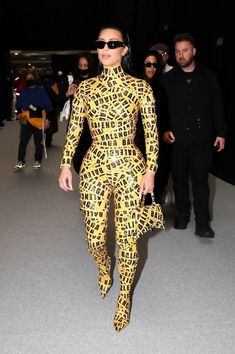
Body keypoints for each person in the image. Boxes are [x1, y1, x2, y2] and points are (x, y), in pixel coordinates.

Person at [59, 24, 161, 331]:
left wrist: (151, 170)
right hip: (94, 166)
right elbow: (75, 130)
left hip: (131, 165)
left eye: (112, 43)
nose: (105, 48)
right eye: (101, 43)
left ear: (124, 48)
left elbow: (152, 135)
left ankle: (125, 296)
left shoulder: (141, 87)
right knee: (94, 239)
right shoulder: (86, 89)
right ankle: (104, 265)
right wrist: (65, 164)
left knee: (128, 238)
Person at [161, 32, 227, 238]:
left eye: (185, 50)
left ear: (194, 51)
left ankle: (203, 222)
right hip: (177, 141)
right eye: (178, 51)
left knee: (200, 180)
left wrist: (221, 132)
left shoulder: (209, 76)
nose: (181, 55)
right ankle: (183, 213)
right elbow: (160, 110)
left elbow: (217, 106)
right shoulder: (167, 80)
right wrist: (164, 131)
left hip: (202, 139)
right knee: (179, 179)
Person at [135, 49, 171, 204]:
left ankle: (151, 207)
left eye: (154, 65)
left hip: (155, 139)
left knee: (157, 174)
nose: (151, 68)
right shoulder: (133, 86)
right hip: (136, 139)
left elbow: (164, 115)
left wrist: (164, 131)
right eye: (148, 64)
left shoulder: (160, 88)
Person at [59, 52, 97, 174]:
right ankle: (83, 176)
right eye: (80, 65)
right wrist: (67, 94)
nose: (82, 68)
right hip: (76, 124)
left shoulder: (97, 80)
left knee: (94, 156)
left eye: (85, 65)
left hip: (94, 125)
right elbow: (58, 102)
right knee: (76, 156)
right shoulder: (71, 80)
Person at [14, 71, 53, 171]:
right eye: (28, 78)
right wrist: (18, 112)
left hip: (39, 121)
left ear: (35, 78)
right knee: (23, 142)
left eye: (31, 77)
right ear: (25, 80)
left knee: (38, 142)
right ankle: (20, 161)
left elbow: (48, 106)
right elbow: (18, 104)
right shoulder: (23, 91)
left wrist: (47, 120)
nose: (30, 79)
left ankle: (37, 160)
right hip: (26, 120)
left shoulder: (41, 91)